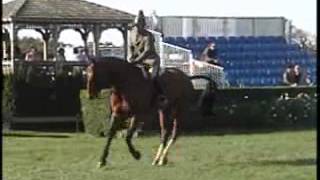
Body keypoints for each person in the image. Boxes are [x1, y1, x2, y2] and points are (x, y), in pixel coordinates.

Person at [128, 10, 166, 106]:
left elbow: (147, 51)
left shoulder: (148, 36)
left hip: (151, 61)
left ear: (143, 25)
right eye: (136, 25)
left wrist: (136, 60)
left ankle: (160, 95)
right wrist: (130, 57)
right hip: (138, 62)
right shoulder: (132, 34)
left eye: (140, 25)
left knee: (152, 77)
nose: (138, 28)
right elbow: (130, 47)